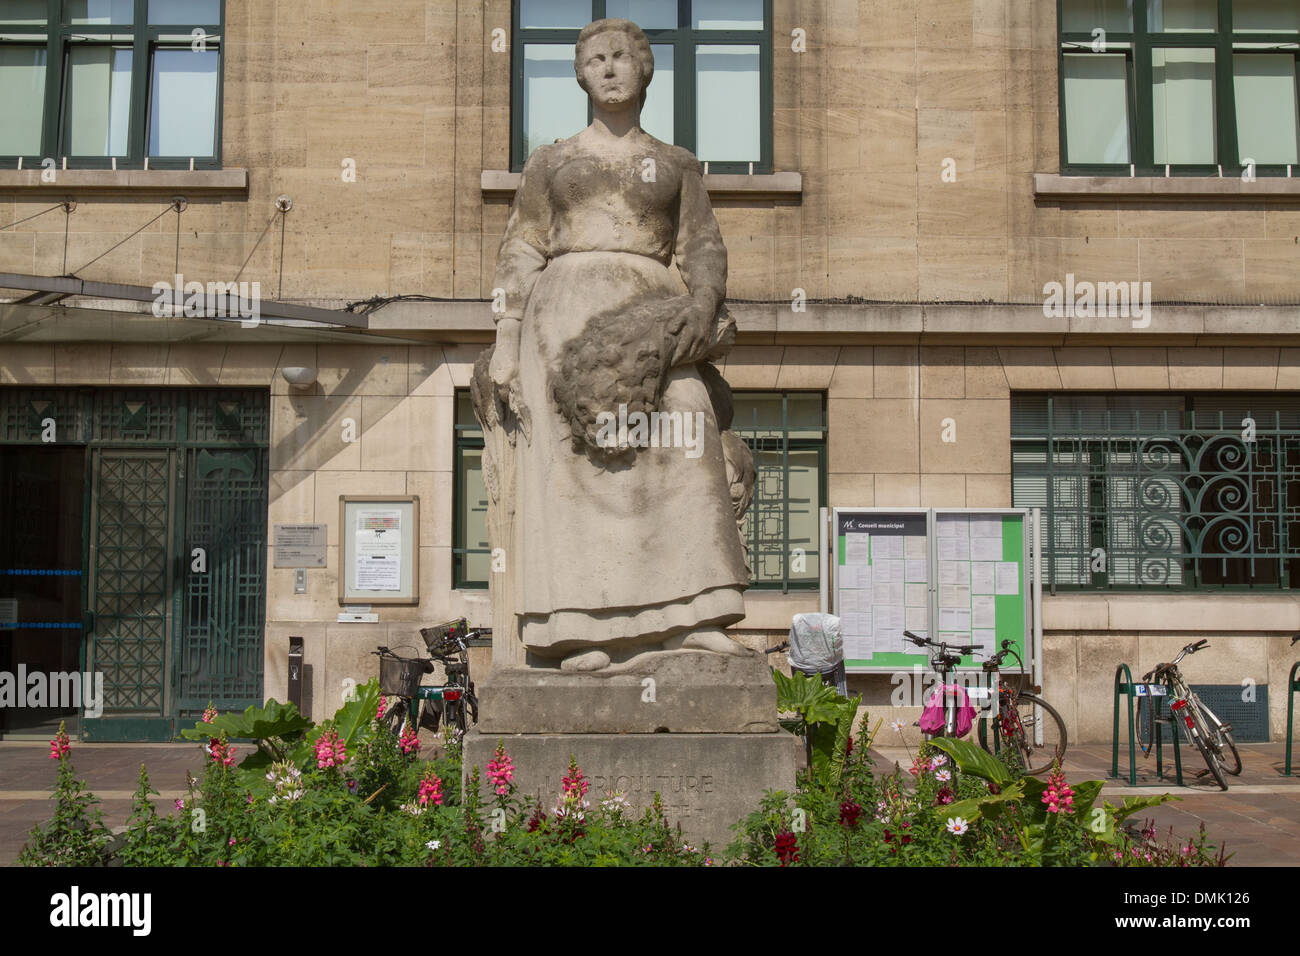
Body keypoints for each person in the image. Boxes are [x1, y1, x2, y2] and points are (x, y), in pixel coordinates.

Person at [482, 18, 752, 672]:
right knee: (578, 468)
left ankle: (696, 614)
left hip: (655, 315)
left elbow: (703, 246)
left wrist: (703, 306)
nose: (608, 68)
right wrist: (505, 337)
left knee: (688, 436)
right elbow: (521, 247)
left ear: (644, 71)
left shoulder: (677, 164)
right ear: (580, 74)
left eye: (621, 57)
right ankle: (582, 628)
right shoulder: (550, 162)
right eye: (595, 59)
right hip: (564, 320)